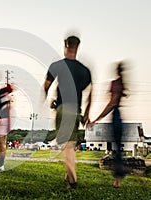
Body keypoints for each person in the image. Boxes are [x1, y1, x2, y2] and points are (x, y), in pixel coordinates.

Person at [44, 35, 92, 189]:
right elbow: (91, 94)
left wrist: (47, 100)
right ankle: (67, 179)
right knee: (70, 144)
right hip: (76, 110)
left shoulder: (57, 65)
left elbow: (46, 86)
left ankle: (73, 181)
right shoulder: (85, 71)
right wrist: (86, 114)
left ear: (66, 45)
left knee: (68, 146)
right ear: (78, 47)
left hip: (63, 109)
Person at [89, 62, 127, 188]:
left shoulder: (115, 83)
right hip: (119, 115)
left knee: (116, 149)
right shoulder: (121, 82)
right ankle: (118, 178)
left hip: (115, 115)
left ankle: (118, 179)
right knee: (116, 147)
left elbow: (111, 104)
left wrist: (96, 119)